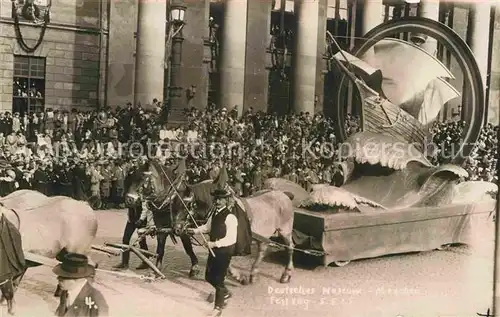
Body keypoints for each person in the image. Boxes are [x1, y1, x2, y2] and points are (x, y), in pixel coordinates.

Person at [187, 187, 238, 317]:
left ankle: (218, 308)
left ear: (226, 201)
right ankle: (225, 293)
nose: (218, 201)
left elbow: (231, 239)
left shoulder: (231, 217)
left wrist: (214, 243)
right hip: (213, 249)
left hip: (224, 251)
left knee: (219, 279)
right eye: (216, 199)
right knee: (208, 277)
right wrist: (194, 231)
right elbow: (207, 227)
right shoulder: (214, 213)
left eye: (221, 199)